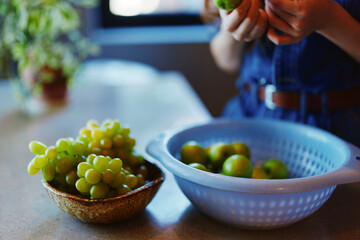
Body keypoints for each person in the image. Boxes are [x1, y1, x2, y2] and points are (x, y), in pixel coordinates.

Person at [203, 0, 360, 147]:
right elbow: (226, 61)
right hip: (248, 112)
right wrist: (236, 25)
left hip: (338, 129)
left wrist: (330, 19)